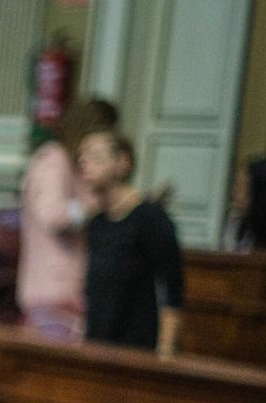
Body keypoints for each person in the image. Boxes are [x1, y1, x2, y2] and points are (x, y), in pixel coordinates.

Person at [78, 130, 185, 353]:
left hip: (136, 348)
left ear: (123, 162)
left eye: (96, 157)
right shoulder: (97, 222)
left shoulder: (150, 218)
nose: (84, 163)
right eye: (82, 157)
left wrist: (165, 350)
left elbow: (172, 287)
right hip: (97, 345)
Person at [18, 96, 118, 317]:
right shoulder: (53, 161)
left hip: (70, 290)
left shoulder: (69, 162)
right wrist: (97, 206)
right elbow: (54, 215)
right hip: (53, 291)